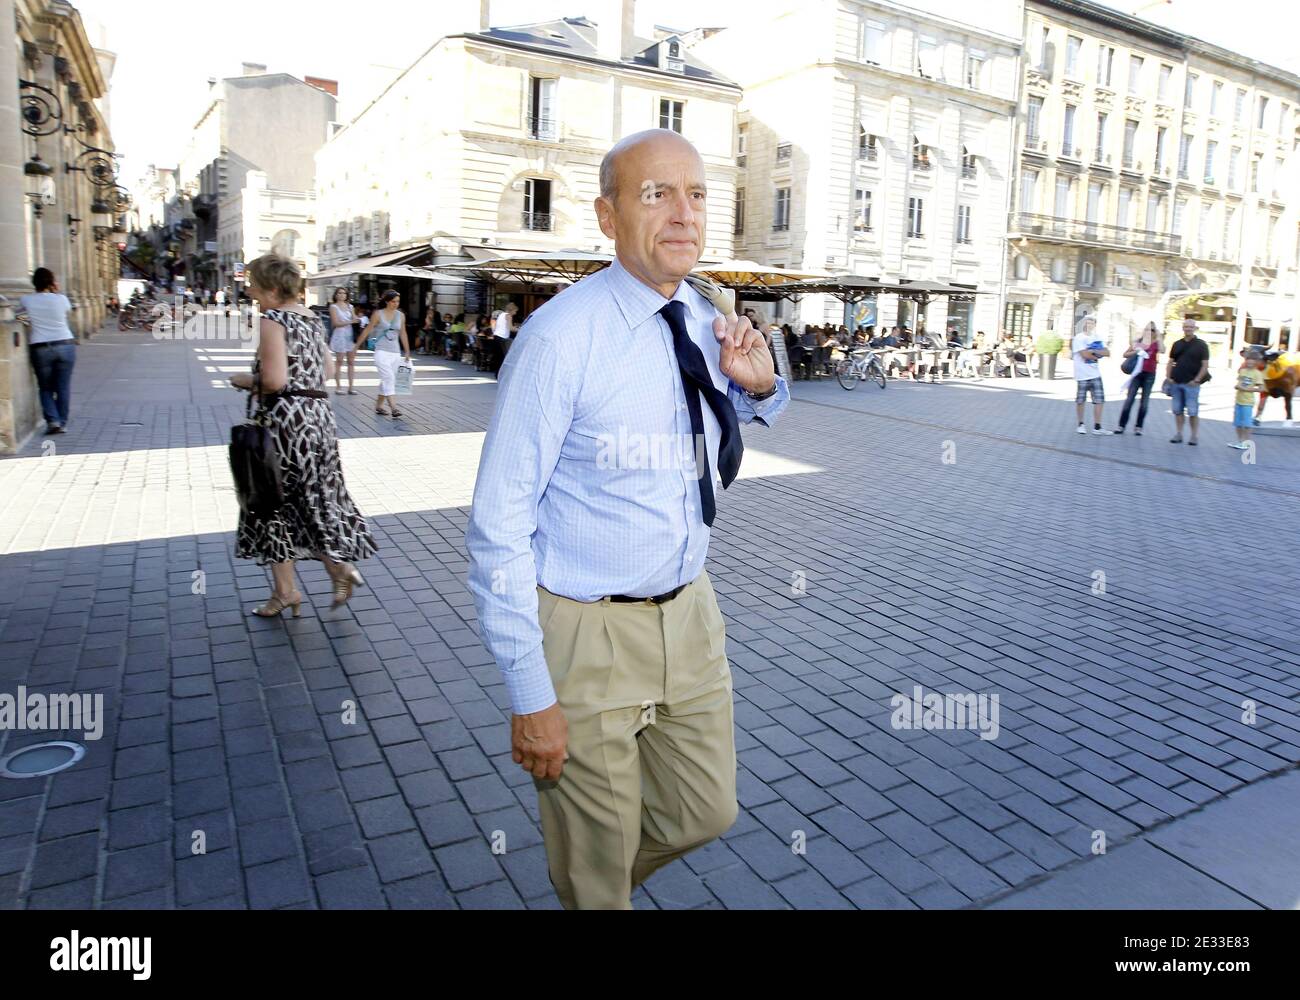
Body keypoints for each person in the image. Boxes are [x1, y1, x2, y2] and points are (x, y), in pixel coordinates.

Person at [466, 128, 788, 910]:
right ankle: (593, 887)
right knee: (597, 873)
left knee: (706, 811)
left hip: (690, 614)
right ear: (608, 218)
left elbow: (752, 406)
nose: (684, 215)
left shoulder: (707, 313)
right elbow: (497, 525)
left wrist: (763, 384)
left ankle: (592, 883)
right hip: (585, 631)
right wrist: (529, 690)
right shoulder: (560, 339)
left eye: (697, 194)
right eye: (656, 195)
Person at [228, 254, 375, 616]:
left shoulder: (271, 320)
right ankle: (338, 568)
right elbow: (325, 368)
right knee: (309, 500)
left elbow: (275, 381)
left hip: (285, 424)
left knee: (270, 503)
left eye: (255, 285)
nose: (249, 290)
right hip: (319, 419)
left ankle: (287, 592)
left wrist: (244, 380)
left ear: (274, 289)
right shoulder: (312, 319)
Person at [15, 267, 77, 435]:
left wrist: (31, 322)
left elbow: (18, 317)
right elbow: (67, 314)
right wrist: (56, 292)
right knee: (63, 387)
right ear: (51, 282)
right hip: (65, 344)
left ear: (34, 283)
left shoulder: (26, 300)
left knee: (45, 387)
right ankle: (62, 423)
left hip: (41, 346)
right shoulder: (62, 299)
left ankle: (52, 420)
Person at [357, 290, 412, 417]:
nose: (396, 304)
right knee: (389, 378)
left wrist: (407, 351)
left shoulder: (401, 315)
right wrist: (356, 346)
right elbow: (367, 330)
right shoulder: (378, 314)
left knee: (387, 379)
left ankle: (379, 406)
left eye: (398, 301)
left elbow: (403, 333)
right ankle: (394, 408)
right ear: (387, 301)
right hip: (381, 351)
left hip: (395, 352)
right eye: (393, 301)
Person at [1166, 316, 1210, 445]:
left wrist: (1197, 380)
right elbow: (1171, 361)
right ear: (1183, 328)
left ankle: (1194, 436)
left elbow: (1205, 364)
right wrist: (1168, 377)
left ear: (1195, 328)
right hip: (1177, 382)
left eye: (1191, 327)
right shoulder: (1177, 344)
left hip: (1192, 384)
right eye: (1186, 327)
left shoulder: (1201, 345)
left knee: (1192, 411)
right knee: (1177, 410)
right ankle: (1179, 433)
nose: (1188, 329)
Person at [1113, 321, 1162, 435]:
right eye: (1147, 329)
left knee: (1144, 402)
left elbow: (1163, 350)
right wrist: (1136, 351)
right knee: (1129, 400)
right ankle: (1121, 426)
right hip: (1136, 374)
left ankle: (1138, 427)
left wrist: (1159, 337)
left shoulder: (1156, 343)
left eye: (1152, 330)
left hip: (1149, 375)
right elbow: (1125, 354)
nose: (1149, 332)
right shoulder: (1138, 342)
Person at [1072, 315, 1109, 434]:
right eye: (1087, 323)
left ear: (1094, 325)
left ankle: (1097, 426)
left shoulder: (1097, 337)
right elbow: (1084, 355)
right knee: (1081, 400)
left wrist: (1094, 351)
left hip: (1095, 373)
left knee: (1099, 399)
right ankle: (1080, 424)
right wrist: (1097, 354)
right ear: (1084, 324)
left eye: (1091, 323)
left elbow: (1107, 352)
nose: (1089, 325)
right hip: (1082, 374)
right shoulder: (1079, 338)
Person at [1231, 350, 1266, 450]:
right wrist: (1237, 386)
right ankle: (1239, 441)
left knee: (1247, 423)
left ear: (1256, 362)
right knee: (1237, 423)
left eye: (1252, 360)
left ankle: (1246, 442)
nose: (1250, 362)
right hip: (1238, 400)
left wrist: (1249, 389)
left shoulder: (1257, 374)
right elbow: (1239, 383)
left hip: (1248, 402)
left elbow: (1261, 388)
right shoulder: (1242, 371)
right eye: (1248, 360)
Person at [327, 287, 358, 395]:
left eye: (344, 293)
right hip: (339, 335)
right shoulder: (333, 307)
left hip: (350, 335)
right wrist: (351, 321)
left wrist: (357, 319)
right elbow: (336, 323)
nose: (342, 295)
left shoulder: (350, 306)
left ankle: (351, 387)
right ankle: (338, 386)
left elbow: (355, 318)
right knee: (339, 361)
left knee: (351, 361)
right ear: (336, 295)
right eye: (339, 293)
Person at [491, 302, 517, 375]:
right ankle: (500, 373)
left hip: (496, 336)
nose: (515, 313)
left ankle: (497, 373)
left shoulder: (501, 315)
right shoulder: (509, 316)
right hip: (502, 338)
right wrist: (520, 329)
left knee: (498, 357)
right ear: (511, 310)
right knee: (503, 357)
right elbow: (511, 328)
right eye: (515, 311)